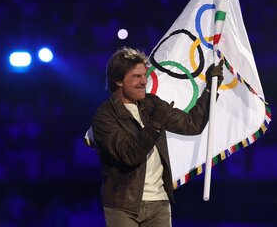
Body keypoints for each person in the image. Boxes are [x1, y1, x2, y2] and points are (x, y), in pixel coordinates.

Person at [91, 47, 223, 227]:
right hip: (123, 206)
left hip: (159, 203)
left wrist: (210, 89)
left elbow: (192, 124)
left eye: (144, 75)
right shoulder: (105, 115)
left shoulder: (152, 103)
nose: (144, 81)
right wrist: (155, 125)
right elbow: (130, 155)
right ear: (118, 80)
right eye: (136, 76)